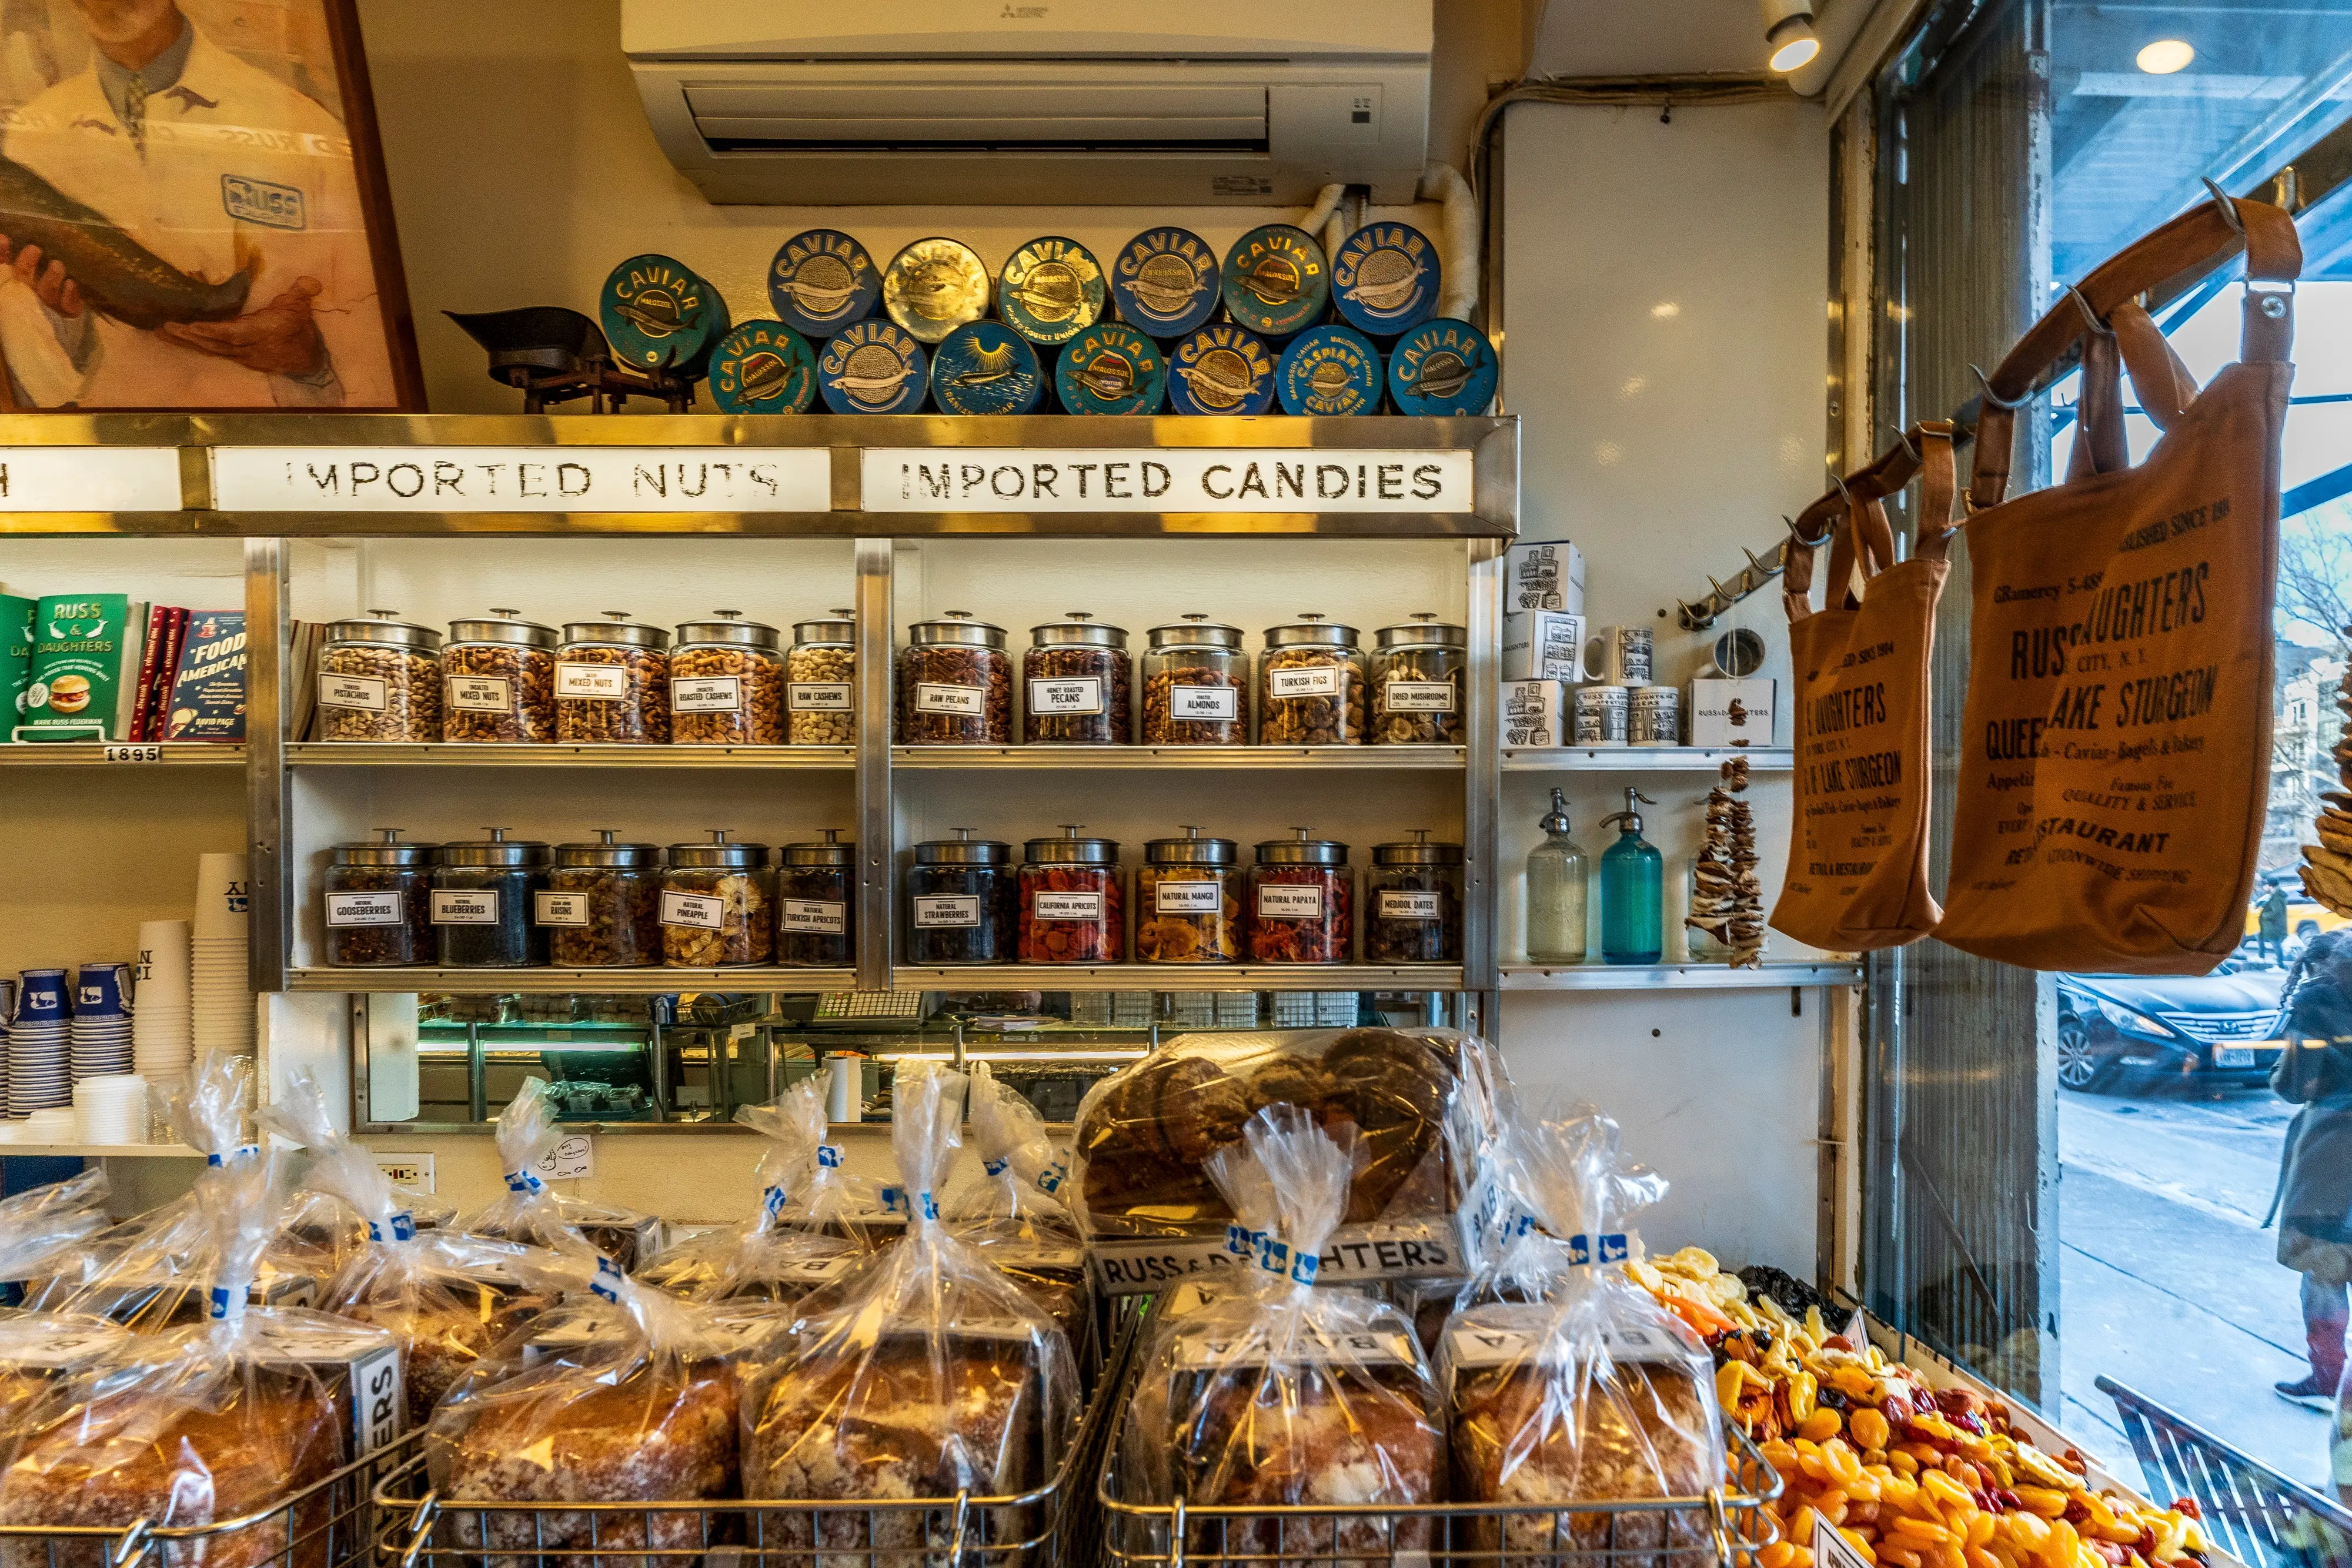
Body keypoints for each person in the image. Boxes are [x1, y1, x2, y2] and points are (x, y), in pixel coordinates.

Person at [0, 0, 390, 407]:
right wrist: (57, 319)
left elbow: (372, 357)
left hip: (271, 435)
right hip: (110, 435)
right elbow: (32, 373)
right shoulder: (29, 138)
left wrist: (309, 362)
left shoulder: (304, 127)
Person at [2270, 928, 2352, 1407]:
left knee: (2324, 1271)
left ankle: (2329, 1379)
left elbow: (2294, 1084)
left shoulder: (2316, 1004)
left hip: (2331, 1151)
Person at [2260, 885, 2291, 965]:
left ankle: (2280, 964)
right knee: (2260, 936)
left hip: (2274, 925)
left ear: (2270, 886)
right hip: (2275, 925)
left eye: (2266, 885)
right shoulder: (2278, 896)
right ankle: (2262, 957)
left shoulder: (2276, 898)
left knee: (2276, 944)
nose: (2264, 887)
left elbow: (2276, 912)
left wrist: (2265, 915)